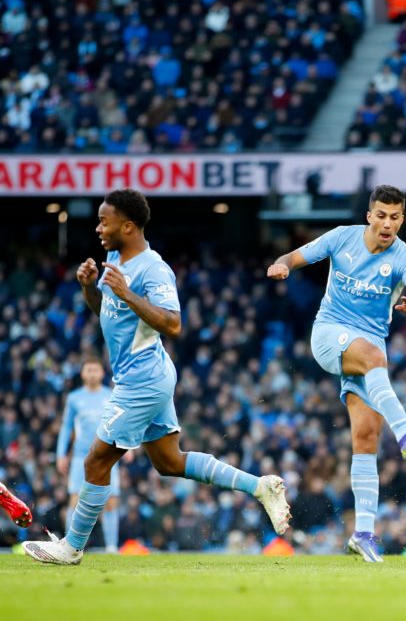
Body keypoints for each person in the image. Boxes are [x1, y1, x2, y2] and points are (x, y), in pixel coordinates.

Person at [24, 189, 291, 566]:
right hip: (144, 373)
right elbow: (108, 313)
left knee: (96, 462)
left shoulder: (153, 268)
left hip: (143, 377)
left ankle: (71, 547)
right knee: (168, 462)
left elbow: (173, 322)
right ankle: (260, 486)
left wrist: (127, 293)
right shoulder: (115, 258)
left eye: (105, 221)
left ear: (128, 226)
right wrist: (89, 287)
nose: (99, 228)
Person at [267, 184, 406, 562]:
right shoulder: (342, 238)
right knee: (376, 358)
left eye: (395, 217)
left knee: (365, 437)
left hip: (368, 348)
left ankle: (362, 533)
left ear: (401, 220)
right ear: (369, 216)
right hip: (330, 333)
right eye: (381, 215)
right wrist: (282, 265)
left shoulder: (404, 256)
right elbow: (294, 256)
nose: (387, 223)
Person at [57, 356, 119, 552]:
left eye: (96, 370)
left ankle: (111, 547)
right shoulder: (74, 398)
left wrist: (129, 448)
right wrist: (60, 454)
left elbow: (119, 424)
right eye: (88, 370)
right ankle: (70, 545)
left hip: (107, 455)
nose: (92, 374)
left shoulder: (112, 395)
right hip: (80, 457)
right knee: (75, 500)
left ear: (102, 373)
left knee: (110, 501)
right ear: (83, 373)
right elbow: (66, 427)